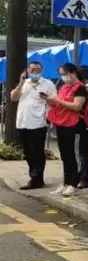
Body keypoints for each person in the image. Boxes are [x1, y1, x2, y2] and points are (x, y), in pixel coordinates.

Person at [10, 60, 56, 190]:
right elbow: (13, 97)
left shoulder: (48, 84)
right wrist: (21, 82)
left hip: (38, 123)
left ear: (42, 71)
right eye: (32, 70)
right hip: (22, 122)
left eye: (37, 70)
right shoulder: (24, 83)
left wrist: (50, 118)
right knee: (27, 152)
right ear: (27, 71)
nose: (35, 72)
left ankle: (36, 179)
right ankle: (35, 176)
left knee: (37, 152)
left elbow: (54, 102)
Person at [45, 62, 88, 196]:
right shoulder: (63, 87)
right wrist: (49, 99)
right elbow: (58, 104)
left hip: (74, 124)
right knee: (64, 155)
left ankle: (74, 183)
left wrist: (58, 101)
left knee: (72, 154)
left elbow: (76, 106)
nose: (63, 77)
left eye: (64, 74)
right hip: (61, 123)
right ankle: (66, 182)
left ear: (72, 73)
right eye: (61, 74)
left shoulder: (80, 88)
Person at [76, 65, 88, 188]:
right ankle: (82, 175)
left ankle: (85, 178)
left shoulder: (85, 88)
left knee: (83, 152)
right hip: (87, 124)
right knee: (82, 151)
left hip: (84, 124)